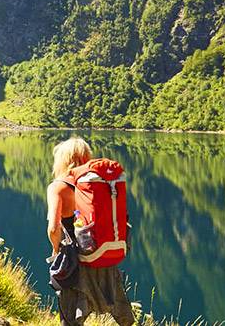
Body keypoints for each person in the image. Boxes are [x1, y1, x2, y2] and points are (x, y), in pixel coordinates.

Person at [46, 138, 135, 326]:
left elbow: (54, 228)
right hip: (101, 252)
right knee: (122, 314)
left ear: (63, 159)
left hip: (75, 261)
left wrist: (56, 251)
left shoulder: (58, 187)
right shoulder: (96, 185)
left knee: (70, 318)